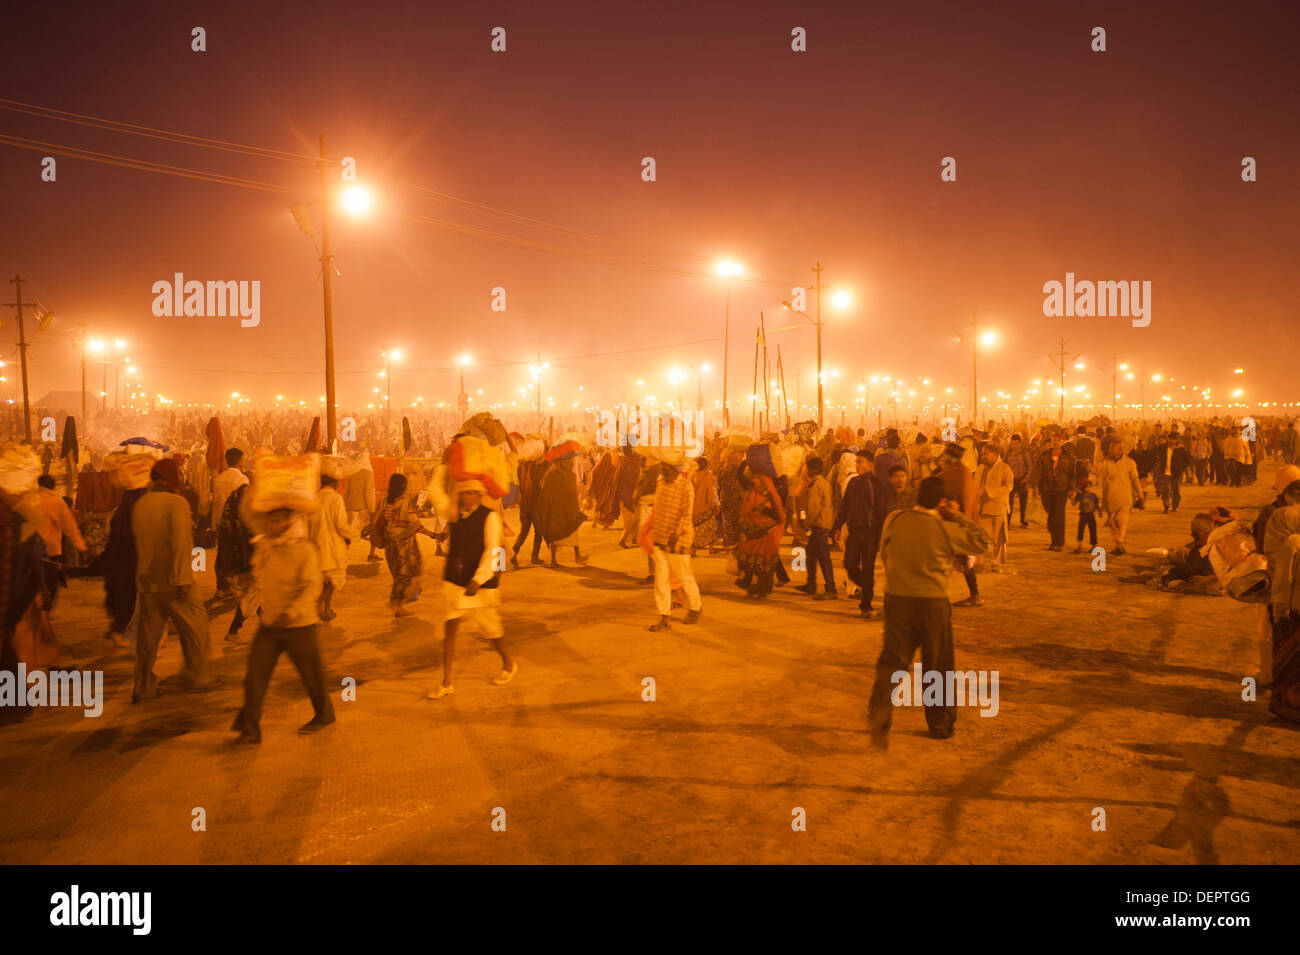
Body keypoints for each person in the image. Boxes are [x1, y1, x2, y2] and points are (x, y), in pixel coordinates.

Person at [868, 476, 990, 749]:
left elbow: (885, 554)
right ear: (942, 502)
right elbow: (982, 543)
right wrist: (958, 516)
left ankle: (880, 710)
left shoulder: (895, 520)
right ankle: (940, 725)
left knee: (893, 662)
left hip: (898, 599)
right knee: (937, 666)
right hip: (932, 603)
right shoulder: (945, 528)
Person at [230, 506, 336, 743]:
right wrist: (245, 582)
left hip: (300, 627)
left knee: (311, 675)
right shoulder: (266, 546)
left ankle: (324, 714)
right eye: (270, 520)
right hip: (269, 625)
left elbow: (312, 586)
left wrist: (292, 612)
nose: (271, 525)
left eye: (277, 521)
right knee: (255, 676)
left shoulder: (304, 550)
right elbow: (261, 577)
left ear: (290, 522)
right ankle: (250, 728)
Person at [131, 458, 215, 702]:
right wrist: (181, 579)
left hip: (147, 581)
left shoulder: (141, 504)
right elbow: (180, 542)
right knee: (196, 626)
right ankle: (197, 676)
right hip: (173, 581)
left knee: (148, 639)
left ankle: (142, 685)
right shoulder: (175, 503)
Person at [428, 480, 516, 699]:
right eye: (471, 493)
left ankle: (508, 663)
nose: (475, 498)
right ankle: (447, 682)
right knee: (450, 629)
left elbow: (493, 550)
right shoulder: (454, 513)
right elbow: (434, 493)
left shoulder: (490, 517)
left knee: (491, 630)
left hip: (479, 586)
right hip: (455, 581)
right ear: (460, 493)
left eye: (478, 494)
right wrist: (445, 466)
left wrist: (478, 579)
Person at [647, 461, 703, 631]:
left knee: (684, 576)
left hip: (677, 540)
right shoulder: (660, 481)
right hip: (660, 537)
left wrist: (677, 533)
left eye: (667, 467)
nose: (663, 469)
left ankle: (695, 607)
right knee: (661, 579)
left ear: (676, 469)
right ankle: (664, 616)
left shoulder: (686, 487)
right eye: (663, 466)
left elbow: (687, 514)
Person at [833, 449, 885, 619]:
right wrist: (837, 526)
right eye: (856, 462)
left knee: (868, 568)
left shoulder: (877, 485)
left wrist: (881, 535)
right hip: (854, 532)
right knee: (850, 565)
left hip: (870, 534)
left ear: (870, 464)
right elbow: (844, 506)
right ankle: (866, 585)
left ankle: (866, 604)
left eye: (860, 462)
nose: (857, 465)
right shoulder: (853, 483)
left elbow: (880, 512)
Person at [733, 462, 786, 600]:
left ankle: (764, 591)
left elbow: (779, 517)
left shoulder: (772, 496)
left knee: (765, 567)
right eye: (754, 478)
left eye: (757, 478)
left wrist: (765, 510)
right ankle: (753, 587)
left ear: (764, 481)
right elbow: (740, 476)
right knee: (748, 563)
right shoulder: (751, 490)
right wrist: (746, 462)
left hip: (766, 537)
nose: (754, 480)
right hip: (751, 536)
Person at [375, 472, 424, 617]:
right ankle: (398, 604)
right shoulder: (404, 502)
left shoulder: (384, 502)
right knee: (408, 574)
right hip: (404, 546)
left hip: (390, 546)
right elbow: (416, 524)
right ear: (403, 487)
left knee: (399, 576)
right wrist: (433, 535)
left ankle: (400, 603)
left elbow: (376, 521)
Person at [215, 483, 258, 644]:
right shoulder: (249, 505)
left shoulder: (236, 499)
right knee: (253, 593)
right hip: (250, 558)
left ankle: (267, 629)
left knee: (257, 595)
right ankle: (233, 631)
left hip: (243, 556)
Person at [309, 459, 351, 621]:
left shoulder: (315, 497)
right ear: (334, 482)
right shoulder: (335, 499)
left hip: (314, 543)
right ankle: (320, 605)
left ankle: (327, 609)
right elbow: (341, 524)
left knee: (323, 580)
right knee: (334, 579)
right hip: (332, 543)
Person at [796, 457, 837, 600]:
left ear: (814, 470)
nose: (806, 471)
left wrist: (805, 523)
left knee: (824, 558)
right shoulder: (823, 483)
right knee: (811, 556)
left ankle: (831, 589)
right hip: (821, 525)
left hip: (818, 526)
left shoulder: (816, 485)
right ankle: (811, 585)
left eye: (808, 468)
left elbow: (813, 508)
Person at [1094, 437, 1142, 556]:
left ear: (1120, 450)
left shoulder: (1130, 463)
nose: (1109, 450)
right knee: (1112, 522)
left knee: (1122, 522)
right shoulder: (1106, 462)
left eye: (1112, 448)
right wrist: (1094, 453)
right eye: (1109, 448)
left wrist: (1141, 495)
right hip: (1110, 498)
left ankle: (1119, 543)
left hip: (1124, 498)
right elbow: (1095, 470)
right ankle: (1119, 544)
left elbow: (1135, 480)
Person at [212, 448, 250, 593]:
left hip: (221, 523)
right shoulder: (241, 479)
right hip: (236, 525)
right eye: (244, 458)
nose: (245, 461)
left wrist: (215, 524)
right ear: (239, 460)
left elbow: (216, 503)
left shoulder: (219, 479)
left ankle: (221, 587)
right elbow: (243, 505)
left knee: (222, 554)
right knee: (237, 554)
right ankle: (234, 584)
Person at [537, 454, 586, 567]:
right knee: (555, 534)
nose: (570, 463)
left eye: (571, 462)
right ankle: (554, 560)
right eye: (568, 461)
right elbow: (547, 493)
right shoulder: (553, 475)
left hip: (568, 509)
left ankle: (577, 556)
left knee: (573, 531)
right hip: (557, 510)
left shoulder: (569, 475)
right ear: (561, 462)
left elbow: (573, 494)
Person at [1033, 431, 1077, 551]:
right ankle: (1053, 541)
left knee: (1059, 516)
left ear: (1063, 442)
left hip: (1062, 489)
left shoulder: (1069, 457)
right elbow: (1039, 472)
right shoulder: (1044, 456)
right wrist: (1036, 487)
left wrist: (1072, 489)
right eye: (1054, 440)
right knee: (1051, 515)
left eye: (1058, 440)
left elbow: (1073, 474)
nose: (1056, 443)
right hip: (1047, 489)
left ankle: (1059, 542)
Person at [973, 442, 1013, 572]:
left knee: (997, 537)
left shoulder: (1005, 468)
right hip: (981, 507)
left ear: (996, 455)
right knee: (980, 536)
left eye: (986, 453)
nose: (983, 456)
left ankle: (995, 562)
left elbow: (1008, 486)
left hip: (997, 508)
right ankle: (979, 562)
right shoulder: (979, 468)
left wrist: (990, 492)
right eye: (982, 453)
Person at [34, 474, 85, 565]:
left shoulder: (30, 499)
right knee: (50, 575)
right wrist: (80, 544)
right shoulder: (56, 501)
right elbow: (69, 525)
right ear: (53, 486)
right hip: (50, 547)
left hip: (32, 546)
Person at [1153, 433, 1192, 513]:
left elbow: (1188, 461)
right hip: (1166, 473)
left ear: (1177, 440)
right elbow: (1154, 452)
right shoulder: (1163, 448)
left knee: (1176, 491)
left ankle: (1175, 506)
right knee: (1166, 490)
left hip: (1177, 474)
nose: (1172, 441)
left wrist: (1182, 469)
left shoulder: (1181, 450)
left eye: (1174, 439)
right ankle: (1166, 506)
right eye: (1170, 439)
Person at [690, 457, 720, 555]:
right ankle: (711, 548)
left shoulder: (692, 475)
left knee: (694, 528)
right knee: (710, 527)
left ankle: (693, 550)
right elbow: (713, 490)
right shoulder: (708, 475)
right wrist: (716, 504)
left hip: (695, 506)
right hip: (707, 506)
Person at [1005, 434, 1032, 528]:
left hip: (1022, 480)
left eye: (1016, 443)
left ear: (1020, 444)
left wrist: (1027, 479)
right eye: (1013, 443)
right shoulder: (1007, 455)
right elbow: (1004, 467)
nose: (1014, 445)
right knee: (1009, 502)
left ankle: (1023, 521)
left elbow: (1030, 467)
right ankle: (1007, 523)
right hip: (1011, 481)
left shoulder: (1025, 454)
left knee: (1023, 502)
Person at [1073, 479, 1100, 553]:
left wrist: (1100, 512)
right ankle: (1079, 546)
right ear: (1083, 488)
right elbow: (1074, 503)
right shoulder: (1080, 495)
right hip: (1083, 515)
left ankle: (1094, 546)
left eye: (1090, 487)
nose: (1089, 489)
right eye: (1087, 487)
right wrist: (1072, 497)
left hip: (1091, 515)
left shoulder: (1093, 495)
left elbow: (1097, 505)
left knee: (1093, 531)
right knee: (1080, 530)